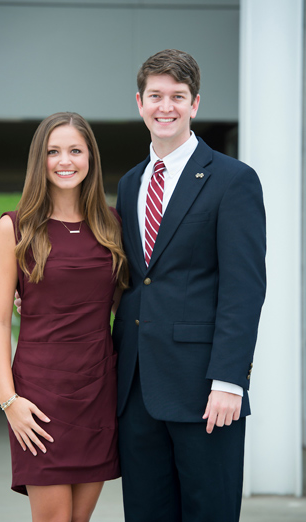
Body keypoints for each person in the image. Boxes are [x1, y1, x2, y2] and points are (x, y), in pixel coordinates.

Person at [112, 49, 266, 522]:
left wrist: (229, 380)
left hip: (205, 390)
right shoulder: (130, 184)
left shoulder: (233, 180)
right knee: (145, 513)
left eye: (177, 96)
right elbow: (129, 277)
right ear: (140, 102)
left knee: (209, 512)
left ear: (195, 104)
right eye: (155, 96)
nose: (166, 107)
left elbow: (244, 287)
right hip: (136, 387)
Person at [0, 112, 128, 522]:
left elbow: (123, 304)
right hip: (39, 400)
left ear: (90, 159)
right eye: (53, 151)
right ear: (39, 160)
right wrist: (8, 400)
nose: (65, 161)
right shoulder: (15, 228)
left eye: (75, 150)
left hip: (98, 392)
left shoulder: (112, 225)